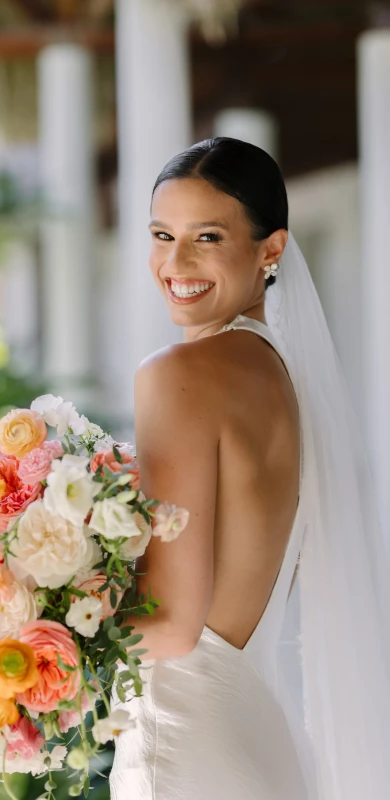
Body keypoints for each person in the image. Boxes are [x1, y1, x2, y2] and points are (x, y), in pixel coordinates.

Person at [108, 137, 390, 800]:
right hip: (254, 737)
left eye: (207, 236)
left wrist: (17, 627)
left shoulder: (178, 375)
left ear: (272, 249)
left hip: (186, 748)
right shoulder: (280, 376)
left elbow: (174, 625)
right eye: (161, 234)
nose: (175, 262)